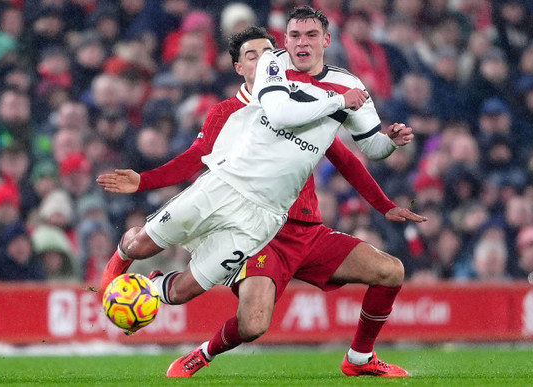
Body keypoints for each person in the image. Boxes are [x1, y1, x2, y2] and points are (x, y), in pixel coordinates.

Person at [99, 14, 423, 379]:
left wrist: (389, 149)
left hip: (278, 219)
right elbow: (256, 127)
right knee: (143, 245)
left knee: (389, 270)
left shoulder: (342, 87)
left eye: (311, 35)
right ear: (244, 64)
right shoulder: (263, 84)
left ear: (326, 40)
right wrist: (143, 181)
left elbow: (355, 154)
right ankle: (110, 281)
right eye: (294, 36)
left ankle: (360, 358)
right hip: (228, 192)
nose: (301, 43)